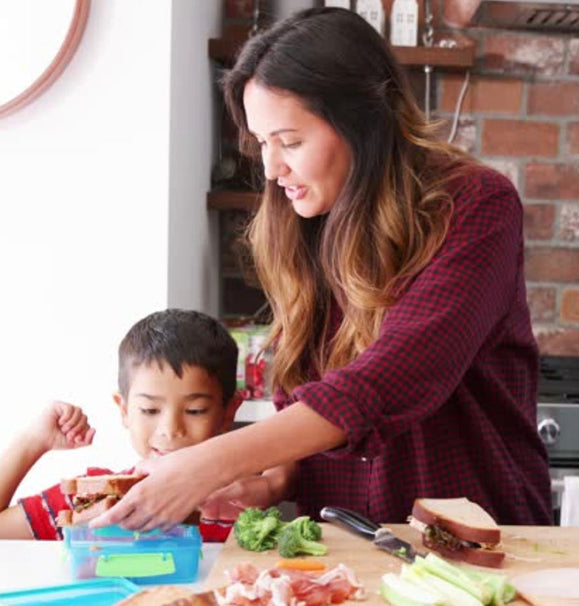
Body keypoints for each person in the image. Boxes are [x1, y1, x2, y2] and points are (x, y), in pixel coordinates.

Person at [91, 7, 551, 532]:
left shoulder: (476, 204)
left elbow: (395, 376)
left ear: (363, 123)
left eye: (289, 142)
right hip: (342, 540)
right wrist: (272, 482)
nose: (271, 169)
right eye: (262, 144)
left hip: (479, 536)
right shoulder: (305, 219)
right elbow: (301, 393)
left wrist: (207, 463)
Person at [0, 309, 245, 541]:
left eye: (195, 411)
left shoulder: (244, 508)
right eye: (150, 410)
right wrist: (31, 442)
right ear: (124, 410)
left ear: (228, 412)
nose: (170, 430)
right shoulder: (88, 500)